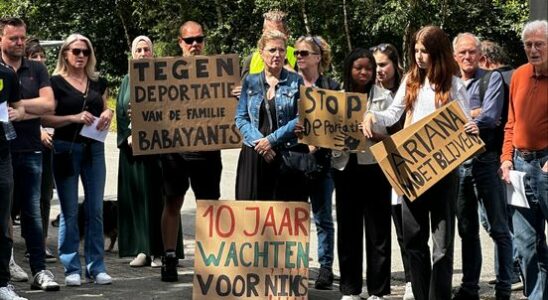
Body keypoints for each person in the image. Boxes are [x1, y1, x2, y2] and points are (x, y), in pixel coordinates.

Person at [363, 25, 479, 300]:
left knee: (442, 248)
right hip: (412, 172)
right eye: (415, 50)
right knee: (414, 242)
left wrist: (471, 127)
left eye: (424, 50)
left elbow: (463, 122)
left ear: (437, 52)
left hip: (443, 174)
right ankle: (419, 294)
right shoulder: (411, 80)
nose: (418, 55)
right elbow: (392, 115)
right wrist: (371, 116)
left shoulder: (452, 84)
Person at [41, 33, 113, 286]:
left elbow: (103, 107)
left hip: (94, 149)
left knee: (95, 210)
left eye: (86, 51)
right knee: (70, 211)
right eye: (76, 51)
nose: (81, 56)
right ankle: (71, 267)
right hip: (66, 148)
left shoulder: (97, 82)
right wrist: (73, 118)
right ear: (65, 54)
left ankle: (97, 266)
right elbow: (45, 119)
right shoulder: (55, 83)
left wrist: (108, 112)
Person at [452, 32, 513, 300]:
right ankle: (470, 288)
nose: (467, 57)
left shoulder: (493, 79)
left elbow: (490, 115)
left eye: (472, 52)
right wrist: (472, 113)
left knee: (499, 228)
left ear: (481, 55)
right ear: (454, 56)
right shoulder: (449, 84)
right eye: (462, 52)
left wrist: (470, 117)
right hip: (458, 165)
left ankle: (504, 288)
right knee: (467, 231)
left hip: (486, 161)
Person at [160, 21, 222, 282]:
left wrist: (235, 94)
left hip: (207, 151)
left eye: (199, 39)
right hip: (175, 152)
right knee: (173, 202)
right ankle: (169, 257)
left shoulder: (218, 71)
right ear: (180, 42)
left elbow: (228, 105)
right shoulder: (164, 73)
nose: (195, 44)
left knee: (208, 207)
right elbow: (152, 104)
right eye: (189, 40)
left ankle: (209, 261)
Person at [0, 17, 59, 292]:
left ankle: (40, 270)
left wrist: (20, 108)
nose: (20, 43)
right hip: (3, 153)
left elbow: (49, 103)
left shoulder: (36, 68)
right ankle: (7, 269)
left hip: (31, 150)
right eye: (14, 38)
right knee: (3, 217)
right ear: (1, 38)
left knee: (34, 213)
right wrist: (27, 109)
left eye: (23, 37)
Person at [116, 35, 183, 267]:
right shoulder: (126, 80)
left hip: (161, 152)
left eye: (146, 50)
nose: (143, 54)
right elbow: (121, 112)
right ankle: (142, 250)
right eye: (139, 50)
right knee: (139, 200)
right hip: (134, 153)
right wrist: (127, 136)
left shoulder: (164, 78)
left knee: (161, 200)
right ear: (132, 54)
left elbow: (173, 110)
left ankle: (161, 251)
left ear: (152, 53)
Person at [333, 48, 393, 300]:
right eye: (359, 68)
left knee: (378, 231)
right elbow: (321, 133)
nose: (364, 72)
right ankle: (350, 290)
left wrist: (377, 134)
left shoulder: (386, 98)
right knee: (348, 230)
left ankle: (378, 291)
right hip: (345, 168)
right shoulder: (335, 98)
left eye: (368, 68)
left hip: (376, 168)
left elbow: (395, 135)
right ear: (349, 69)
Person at [500, 20, 547, 300]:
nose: (533, 49)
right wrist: (506, 159)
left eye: (539, 44)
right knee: (526, 242)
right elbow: (511, 122)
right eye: (528, 45)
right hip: (519, 167)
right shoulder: (518, 75)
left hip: (546, 164)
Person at [234, 29, 306, 201]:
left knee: (283, 218)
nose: (277, 54)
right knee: (250, 216)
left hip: (286, 153)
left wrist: (271, 140)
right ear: (261, 53)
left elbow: (302, 117)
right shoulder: (250, 81)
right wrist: (260, 143)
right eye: (272, 50)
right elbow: (240, 117)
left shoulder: (297, 81)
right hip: (254, 153)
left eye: (281, 50)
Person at [293, 35, 339, 290]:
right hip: (294, 162)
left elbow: (338, 126)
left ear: (318, 57)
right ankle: (296, 267)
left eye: (304, 53)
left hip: (322, 164)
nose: (298, 57)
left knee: (323, 219)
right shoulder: (289, 85)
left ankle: (325, 269)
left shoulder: (331, 88)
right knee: (296, 218)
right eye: (297, 53)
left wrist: (319, 142)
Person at [371, 43, 414, 300]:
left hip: (401, 165)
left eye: (383, 65)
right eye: (374, 65)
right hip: (374, 167)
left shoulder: (407, 89)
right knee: (378, 232)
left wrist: (381, 134)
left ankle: (412, 280)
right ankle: (378, 287)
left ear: (395, 64)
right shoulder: (367, 90)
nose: (378, 70)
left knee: (404, 228)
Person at [25, 39, 57, 264]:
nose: (39, 60)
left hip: (49, 147)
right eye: (34, 56)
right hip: (27, 144)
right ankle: (29, 242)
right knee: (26, 198)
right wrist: (38, 131)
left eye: (41, 56)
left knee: (45, 196)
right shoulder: (21, 81)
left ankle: (42, 241)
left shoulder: (50, 82)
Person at [0, 60, 27, 300]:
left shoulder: (7, 75)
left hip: (1, 157)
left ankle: (2, 284)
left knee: (2, 221)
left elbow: (20, 108)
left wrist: (16, 113)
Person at [240, 10, 296, 78]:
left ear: (287, 34)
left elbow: (308, 87)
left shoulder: (300, 58)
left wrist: (285, 64)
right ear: (263, 33)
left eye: (277, 33)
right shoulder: (250, 60)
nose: (273, 37)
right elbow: (244, 87)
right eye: (269, 33)